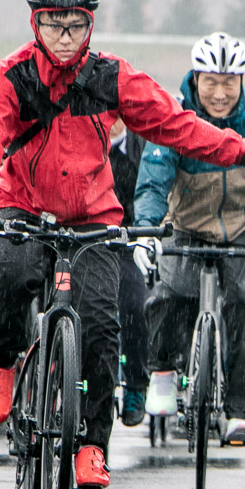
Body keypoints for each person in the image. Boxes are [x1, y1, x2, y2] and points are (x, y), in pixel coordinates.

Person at [0, 0, 245, 489]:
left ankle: (91, 444)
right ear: (35, 23)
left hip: (92, 215)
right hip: (22, 204)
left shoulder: (112, 77)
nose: (64, 38)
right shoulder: (10, 78)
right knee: (3, 272)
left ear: (90, 25)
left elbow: (179, 127)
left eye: (76, 26)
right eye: (53, 25)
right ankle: (1, 364)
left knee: (100, 328)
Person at [133, 32, 245, 445]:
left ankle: (242, 412)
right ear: (195, 79)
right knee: (169, 292)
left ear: (242, 81)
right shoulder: (176, 116)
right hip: (187, 224)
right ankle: (163, 373)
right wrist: (148, 229)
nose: (220, 93)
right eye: (210, 82)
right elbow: (152, 180)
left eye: (229, 83)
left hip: (243, 226)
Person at [107, 118, 150, 426]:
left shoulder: (143, 146)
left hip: (128, 238)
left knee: (136, 305)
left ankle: (135, 384)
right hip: (85, 235)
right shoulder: (80, 138)